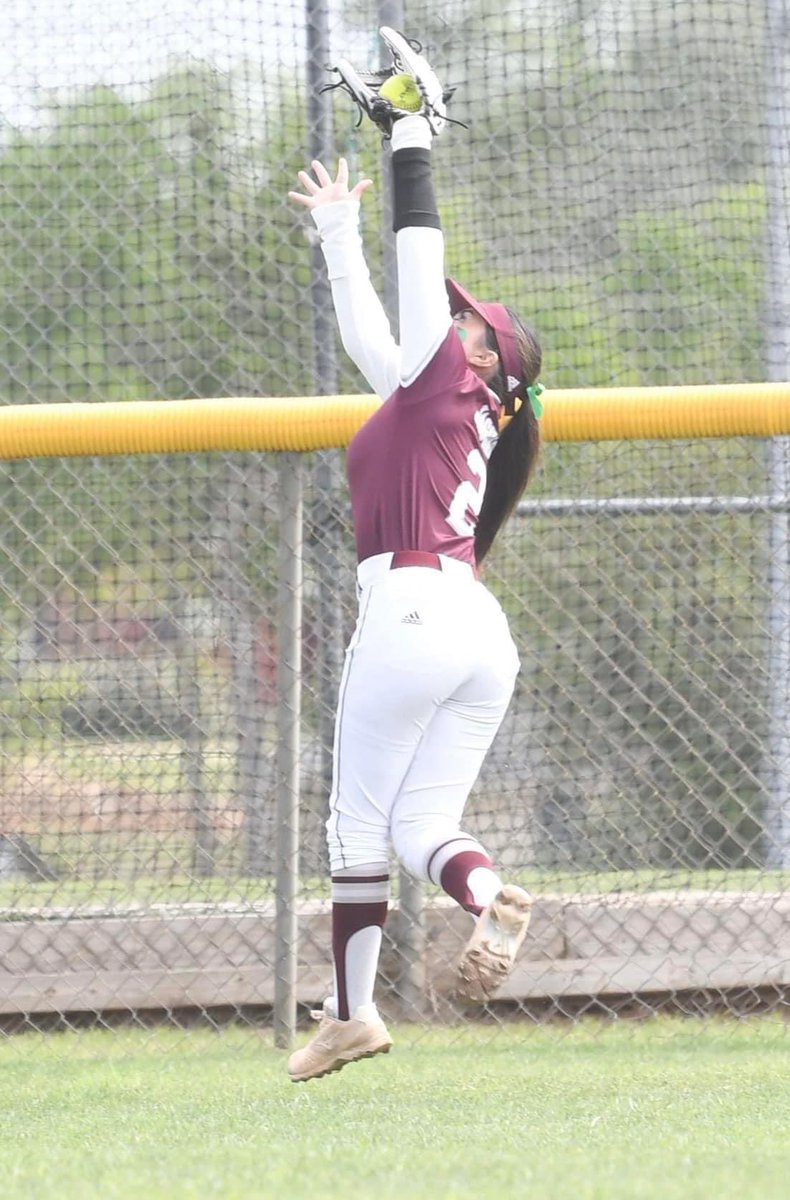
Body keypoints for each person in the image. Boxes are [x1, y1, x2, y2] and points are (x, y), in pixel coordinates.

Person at [286, 27, 544, 1083]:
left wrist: (411, 139)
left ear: (488, 364)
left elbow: (419, 257)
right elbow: (375, 345)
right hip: (476, 629)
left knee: (357, 821)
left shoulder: (450, 380)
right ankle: (489, 898)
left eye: (476, 328)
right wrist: (340, 235)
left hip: (412, 612)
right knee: (422, 823)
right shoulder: (442, 392)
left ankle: (351, 1014)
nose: (457, 322)